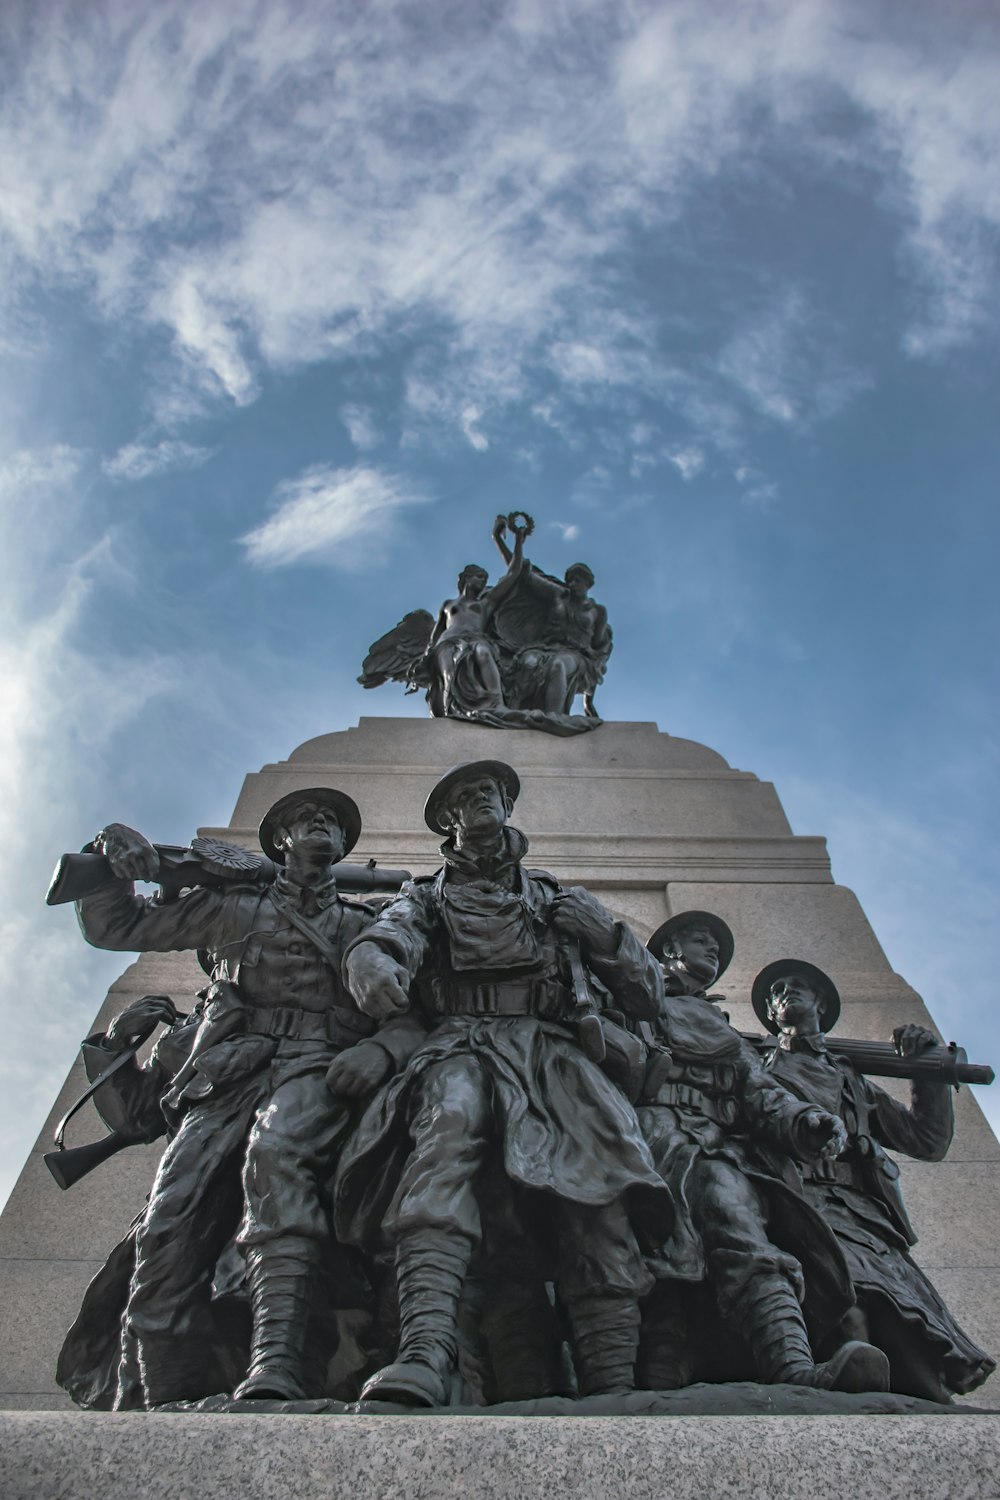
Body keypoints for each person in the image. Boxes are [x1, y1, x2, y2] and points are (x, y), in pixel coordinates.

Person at [333, 760, 672, 1407]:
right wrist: (372, 960)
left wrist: (604, 934)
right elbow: (387, 936)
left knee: (600, 1197)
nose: (482, 801)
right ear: (448, 821)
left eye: (491, 792)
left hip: (552, 1056)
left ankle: (616, 1388)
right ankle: (425, 1354)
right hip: (459, 1040)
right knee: (444, 1140)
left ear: (509, 808)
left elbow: (649, 992)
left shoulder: (555, 896)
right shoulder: (427, 895)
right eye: (467, 797)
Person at [74, 788, 414, 1406]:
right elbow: (115, 926)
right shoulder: (229, 909)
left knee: (277, 1160)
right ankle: (158, 1400)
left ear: (344, 847)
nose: (322, 826)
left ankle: (277, 1365)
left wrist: (384, 1049)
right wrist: (107, 855)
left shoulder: (366, 926)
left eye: (334, 823)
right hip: (227, 1080)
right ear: (278, 842)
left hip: (319, 1071)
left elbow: (418, 1012)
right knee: (166, 1225)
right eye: (306, 819)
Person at [634, 912, 891, 1393]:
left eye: (716, 944)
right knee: (673, 1258)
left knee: (736, 1233)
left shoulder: (720, 1025)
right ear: (669, 950)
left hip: (707, 1143)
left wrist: (801, 1119)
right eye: (699, 940)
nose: (713, 950)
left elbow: (758, 1088)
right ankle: (659, 1383)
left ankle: (791, 1368)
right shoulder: (627, 1000)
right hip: (646, 1138)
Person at [754, 959, 995, 1402]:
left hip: (862, 1211)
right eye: (777, 990)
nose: (786, 992)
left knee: (904, 1320)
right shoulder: (756, 1067)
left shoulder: (851, 1079)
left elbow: (927, 1140)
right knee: (846, 1302)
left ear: (821, 1004)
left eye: (798, 986)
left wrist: (927, 1071)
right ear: (769, 1012)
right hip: (795, 1200)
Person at [424, 524, 528, 718]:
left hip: (475, 639)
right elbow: (437, 632)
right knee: (449, 673)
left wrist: (518, 541)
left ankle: (497, 703)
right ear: (466, 578)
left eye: (485, 578)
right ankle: (449, 710)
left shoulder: (485, 603)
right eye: (479, 577)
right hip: (447, 643)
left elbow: (514, 573)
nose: (483, 581)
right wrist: (428, 651)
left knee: (483, 652)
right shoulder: (448, 604)